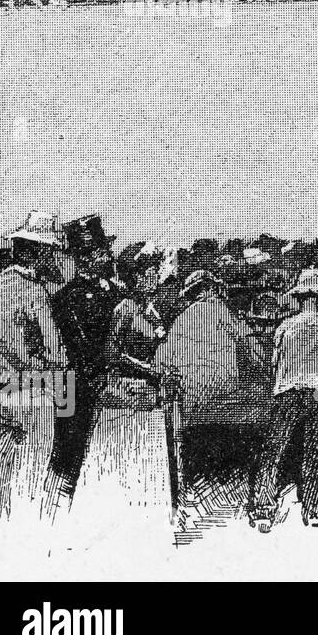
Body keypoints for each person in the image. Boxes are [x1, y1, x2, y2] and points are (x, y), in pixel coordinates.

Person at [72, 243, 176, 531]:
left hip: (148, 395)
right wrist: (149, 370)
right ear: (137, 275)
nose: (156, 273)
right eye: (150, 269)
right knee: (122, 460)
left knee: (148, 465)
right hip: (123, 394)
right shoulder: (125, 308)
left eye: (156, 267)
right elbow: (110, 353)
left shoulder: (151, 309)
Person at [0, 211, 69, 520]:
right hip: (33, 393)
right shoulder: (35, 293)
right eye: (52, 251)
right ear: (41, 252)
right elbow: (56, 352)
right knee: (30, 477)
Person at [252, 268, 318, 532]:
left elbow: (274, 364)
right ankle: (313, 509)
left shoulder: (284, 327)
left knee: (274, 449)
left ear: (299, 298)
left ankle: (264, 508)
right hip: (317, 390)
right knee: (314, 450)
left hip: (288, 390)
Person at [50, 214, 124, 493]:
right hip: (78, 384)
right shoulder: (68, 298)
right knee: (69, 457)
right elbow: (91, 351)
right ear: (86, 257)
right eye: (101, 251)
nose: (107, 255)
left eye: (106, 249)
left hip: (91, 383)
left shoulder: (111, 292)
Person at [157, 269, 253, 417]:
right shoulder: (222, 311)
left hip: (190, 401)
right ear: (209, 288)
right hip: (224, 397)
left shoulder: (180, 320)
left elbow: (161, 361)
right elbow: (250, 345)